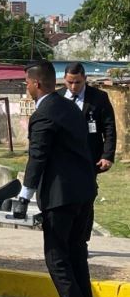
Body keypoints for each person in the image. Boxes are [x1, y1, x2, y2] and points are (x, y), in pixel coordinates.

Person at [13, 60, 97, 297]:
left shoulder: (44, 114)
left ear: (37, 84)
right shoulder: (70, 108)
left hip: (61, 197)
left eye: (26, 83)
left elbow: (38, 156)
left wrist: (24, 196)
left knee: (56, 255)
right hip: (84, 192)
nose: (25, 87)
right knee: (76, 254)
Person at [58, 62, 117, 238]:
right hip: (63, 160)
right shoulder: (58, 98)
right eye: (70, 82)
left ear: (85, 79)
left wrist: (107, 155)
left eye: (77, 82)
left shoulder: (98, 98)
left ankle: (82, 239)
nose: (73, 86)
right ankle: (66, 238)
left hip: (89, 159)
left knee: (85, 198)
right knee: (65, 199)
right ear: (64, 80)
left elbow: (109, 129)